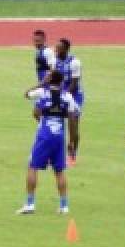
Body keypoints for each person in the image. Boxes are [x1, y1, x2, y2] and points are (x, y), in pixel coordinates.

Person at [18, 71, 79, 216]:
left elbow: (27, 95)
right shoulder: (67, 97)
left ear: (50, 79)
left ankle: (30, 204)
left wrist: (42, 82)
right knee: (59, 170)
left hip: (44, 134)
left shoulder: (42, 92)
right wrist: (72, 141)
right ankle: (64, 206)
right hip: (59, 135)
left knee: (33, 166)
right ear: (62, 81)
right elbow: (72, 119)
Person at [52, 38, 84, 165]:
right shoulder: (55, 61)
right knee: (52, 121)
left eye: (59, 48)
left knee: (74, 126)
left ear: (66, 49)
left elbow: (74, 83)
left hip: (74, 96)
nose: (56, 50)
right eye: (56, 47)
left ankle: (72, 153)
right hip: (61, 94)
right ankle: (55, 152)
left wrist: (64, 96)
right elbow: (53, 78)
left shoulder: (75, 62)